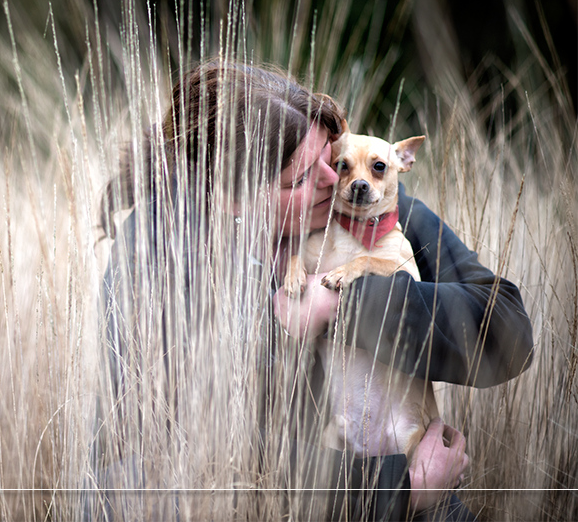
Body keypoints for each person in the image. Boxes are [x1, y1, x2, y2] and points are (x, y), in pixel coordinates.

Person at [91, 60, 533, 521]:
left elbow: (509, 330)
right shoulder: (162, 261)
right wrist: (404, 488)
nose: (332, 179)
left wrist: (347, 305)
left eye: (330, 156)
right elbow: (189, 457)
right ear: (231, 197)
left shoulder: (365, 200)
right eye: (302, 178)